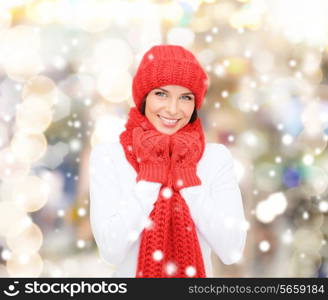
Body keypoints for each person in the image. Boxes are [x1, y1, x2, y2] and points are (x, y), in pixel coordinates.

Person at [89, 44, 247, 278]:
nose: (173, 109)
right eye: (161, 94)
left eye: (185, 97)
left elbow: (231, 250)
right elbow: (111, 250)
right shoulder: (109, 157)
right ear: (143, 97)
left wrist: (189, 181)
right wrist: (151, 177)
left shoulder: (215, 158)